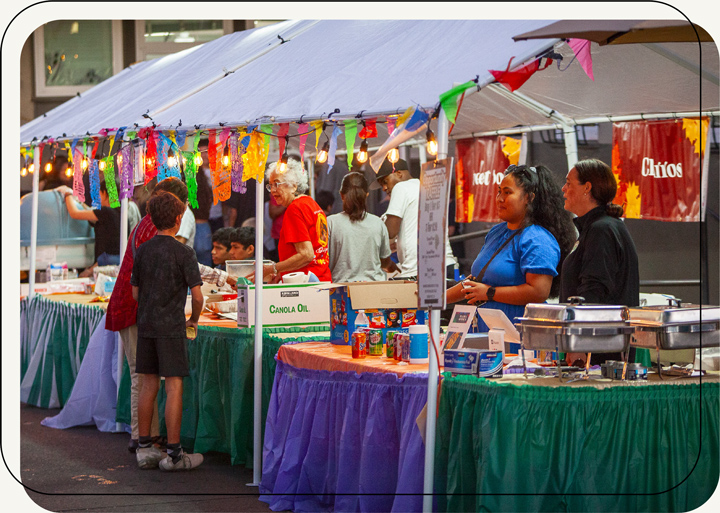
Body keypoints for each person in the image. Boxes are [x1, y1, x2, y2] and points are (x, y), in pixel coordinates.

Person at [105, 177, 237, 454]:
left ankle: (146, 439)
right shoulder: (162, 238)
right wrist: (195, 313)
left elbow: (138, 288)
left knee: (146, 379)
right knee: (162, 382)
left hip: (143, 313)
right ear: (178, 212)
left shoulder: (149, 234)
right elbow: (185, 272)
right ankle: (155, 442)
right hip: (149, 317)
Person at [445, 164, 576, 348]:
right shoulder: (496, 232)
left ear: (529, 198)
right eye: (499, 192)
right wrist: (438, 300)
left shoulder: (537, 239)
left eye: (507, 193)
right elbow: (477, 281)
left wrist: (490, 293)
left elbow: (538, 291)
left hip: (518, 336)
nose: (499, 199)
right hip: (486, 331)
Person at [130, 191, 204, 471]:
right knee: (173, 387)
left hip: (146, 324)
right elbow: (197, 297)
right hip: (172, 327)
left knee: (148, 384)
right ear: (178, 218)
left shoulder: (144, 249)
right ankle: (174, 454)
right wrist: (193, 320)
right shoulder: (184, 252)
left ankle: (145, 448)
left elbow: (135, 293)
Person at [560, 158, 640, 366]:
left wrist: (580, 345)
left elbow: (592, 293)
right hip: (600, 349)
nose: (563, 189)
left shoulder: (601, 230)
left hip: (600, 355)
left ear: (587, 188)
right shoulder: (598, 227)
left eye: (569, 183)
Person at [372, 158, 457, 279]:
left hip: (418, 269)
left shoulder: (401, 187)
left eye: (385, 181)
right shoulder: (429, 186)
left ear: (399, 174)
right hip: (446, 264)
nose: (384, 188)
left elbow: (390, 232)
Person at [253, 159, 332, 283]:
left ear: (294, 185)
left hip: (304, 284)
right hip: (321, 278)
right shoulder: (311, 203)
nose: (273, 190)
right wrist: (282, 272)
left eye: (277, 184)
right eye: (270, 185)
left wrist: (273, 268)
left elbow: (306, 254)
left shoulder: (295, 208)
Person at [327, 172, 398, 282]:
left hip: (341, 293)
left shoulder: (330, 223)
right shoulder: (377, 223)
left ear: (341, 195)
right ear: (366, 195)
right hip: (374, 290)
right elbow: (384, 260)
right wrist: (391, 266)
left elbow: (324, 260)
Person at [56, 181, 121, 274]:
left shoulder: (106, 212)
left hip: (104, 265)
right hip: (114, 265)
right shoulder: (119, 213)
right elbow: (89, 212)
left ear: (104, 193)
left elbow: (75, 213)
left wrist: (67, 194)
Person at [190, 144, 215, 266]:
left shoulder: (190, 182)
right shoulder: (205, 186)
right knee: (205, 267)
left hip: (190, 226)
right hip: (203, 225)